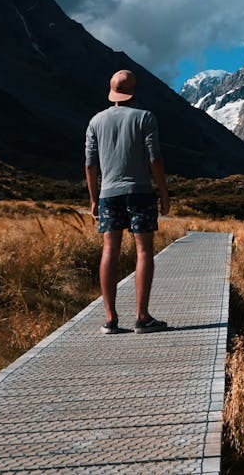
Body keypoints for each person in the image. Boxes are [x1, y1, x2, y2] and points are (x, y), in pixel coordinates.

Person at [85, 69, 172, 334]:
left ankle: (110, 319)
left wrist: (93, 199)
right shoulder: (145, 117)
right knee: (143, 251)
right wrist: (164, 192)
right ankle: (142, 317)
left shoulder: (95, 121)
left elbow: (90, 164)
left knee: (109, 250)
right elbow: (154, 159)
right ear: (134, 90)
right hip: (140, 192)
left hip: (108, 195)